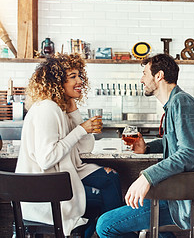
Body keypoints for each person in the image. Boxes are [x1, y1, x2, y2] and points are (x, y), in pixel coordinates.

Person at [96, 53, 194, 238]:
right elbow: (175, 142)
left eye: (144, 73)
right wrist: (147, 148)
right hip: (178, 196)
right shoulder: (175, 102)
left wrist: (147, 177)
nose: (141, 79)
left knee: (105, 226)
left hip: (186, 201)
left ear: (159, 76)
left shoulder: (181, 102)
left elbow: (189, 153)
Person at [15, 54, 123, 238]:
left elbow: (85, 148)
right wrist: (81, 129)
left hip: (57, 181)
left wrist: (74, 111)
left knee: (110, 178)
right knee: (106, 198)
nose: (80, 80)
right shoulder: (47, 109)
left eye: (79, 75)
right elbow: (46, 158)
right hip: (44, 193)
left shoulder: (60, 108)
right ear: (56, 82)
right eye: (72, 76)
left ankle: (115, 231)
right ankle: (119, 232)